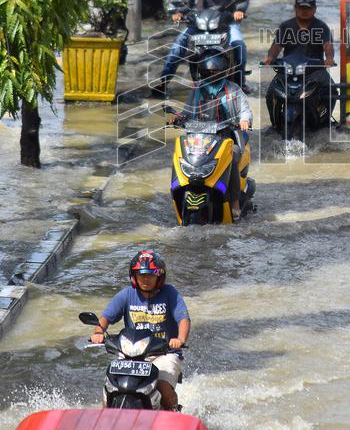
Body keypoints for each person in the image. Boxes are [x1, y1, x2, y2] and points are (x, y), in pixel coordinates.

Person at [89, 250, 190, 411]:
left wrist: (180, 339)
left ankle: (174, 414)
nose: (145, 279)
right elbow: (106, 317)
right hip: (130, 354)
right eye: (141, 275)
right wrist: (98, 333)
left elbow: (183, 319)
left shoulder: (170, 293)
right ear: (134, 276)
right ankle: (105, 416)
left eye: (150, 275)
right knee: (111, 385)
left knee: (162, 386)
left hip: (165, 353)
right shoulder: (126, 294)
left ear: (159, 277)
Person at [152, 0, 249, 96]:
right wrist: (179, 12)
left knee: (239, 45)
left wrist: (239, 10)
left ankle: (241, 81)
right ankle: (164, 82)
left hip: (225, 22)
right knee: (178, 45)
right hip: (200, 23)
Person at [167, 52, 252, 216]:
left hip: (225, 137)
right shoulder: (197, 89)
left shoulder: (233, 89)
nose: (212, 73)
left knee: (232, 155)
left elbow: (245, 110)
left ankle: (234, 202)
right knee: (180, 154)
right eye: (209, 70)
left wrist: (244, 120)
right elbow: (187, 111)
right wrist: (177, 118)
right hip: (199, 138)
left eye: (215, 70)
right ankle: (178, 196)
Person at [262, 0, 337, 110]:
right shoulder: (286, 26)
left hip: (314, 70)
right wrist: (270, 58)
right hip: (288, 70)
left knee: (332, 90)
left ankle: (325, 118)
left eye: (308, 8)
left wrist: (329, 59)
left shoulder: (322, 27)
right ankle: (275, 120)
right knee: (271, 93)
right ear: (295, 8)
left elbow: (328, 46)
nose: (304, 11)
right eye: (301, 7)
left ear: (314, 9)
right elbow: (276, 46)